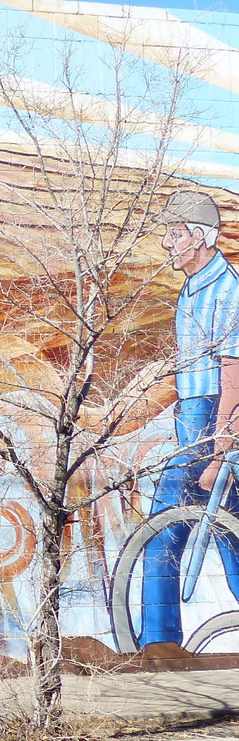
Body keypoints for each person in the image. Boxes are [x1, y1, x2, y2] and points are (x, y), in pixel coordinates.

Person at [140, 189, 239, 649]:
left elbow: (233, 378)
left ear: (198, 237)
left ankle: (158, 647)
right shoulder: (195, 285)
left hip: (210, 424)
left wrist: (218, 451)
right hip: (195, 416)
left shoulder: (227, 290)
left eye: (174, 234)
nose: (166, 243)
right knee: (233, 540)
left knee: (161, 534)